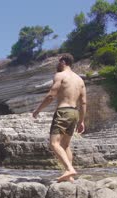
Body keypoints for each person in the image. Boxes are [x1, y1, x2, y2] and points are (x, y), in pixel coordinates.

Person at [32, 53, 86, 183]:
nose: (57, 64)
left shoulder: (60, 75)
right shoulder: (80, 80)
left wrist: (38, 110)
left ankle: (69, 169)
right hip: (74, 112)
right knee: (65, 145)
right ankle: (70, 177)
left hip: (63, 112)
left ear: (63, 61)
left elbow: (51, 96)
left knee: (54, 143)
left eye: (58, 61)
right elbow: (83, 102)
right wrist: (82, 120)